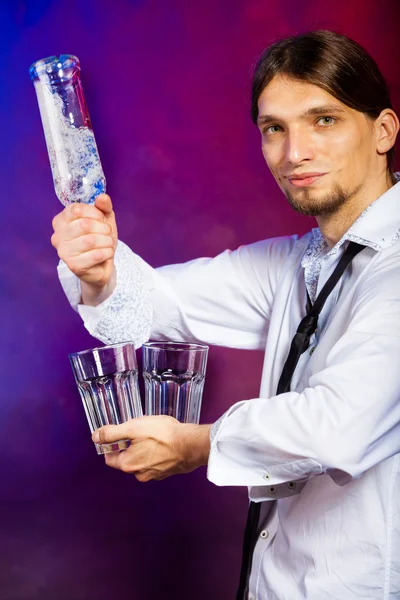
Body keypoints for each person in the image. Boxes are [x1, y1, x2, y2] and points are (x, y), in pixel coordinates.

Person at [51, 30, 400, 599]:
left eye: (324, 121)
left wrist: (198, 444)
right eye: (274, 129)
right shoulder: (300, 262)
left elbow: (337, 428)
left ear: (383, 131)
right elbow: (158, 303)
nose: (295, 153)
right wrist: (98, 267)